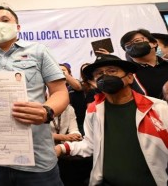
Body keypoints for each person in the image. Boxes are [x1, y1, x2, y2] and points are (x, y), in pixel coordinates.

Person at [0, 3, 69, 185]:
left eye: (5, 20)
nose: (0, 25)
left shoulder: (39, 51)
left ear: (17, 27)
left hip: (37, 160)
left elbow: (60, 92)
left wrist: (47, 111)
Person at [55, 54, 168, 185]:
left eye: (112, 71)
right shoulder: (94, 110)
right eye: (99, 74)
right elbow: (90, 145)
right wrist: (61, 148)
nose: (105, 76)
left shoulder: (158, 108)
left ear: (130, 77)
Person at [120, 29, 168, 99]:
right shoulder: (127, 74)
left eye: (137, 41)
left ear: (153, 43)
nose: (133, 45)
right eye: (128, 45)